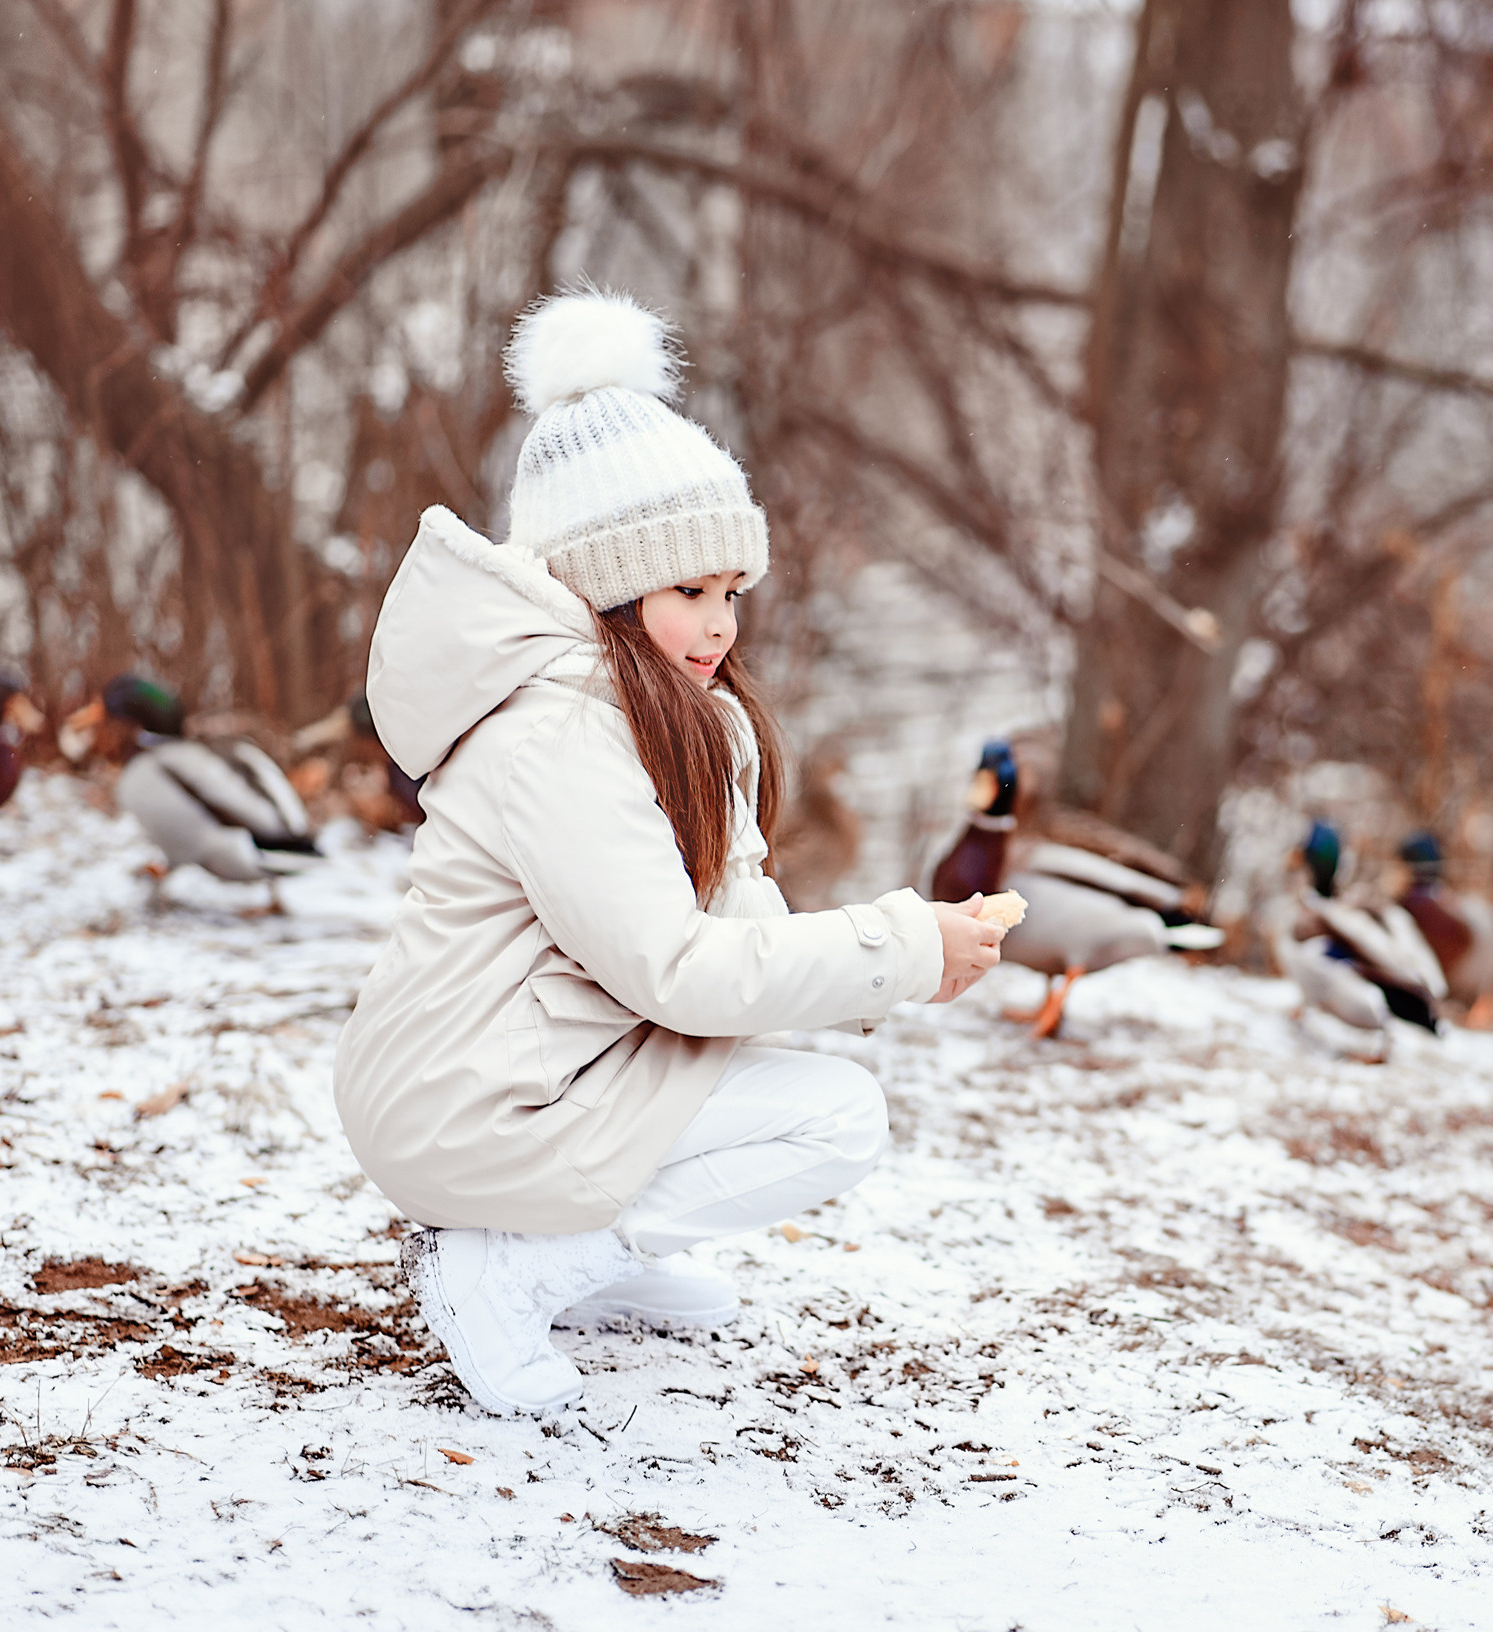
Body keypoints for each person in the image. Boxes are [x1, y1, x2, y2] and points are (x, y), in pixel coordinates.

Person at [333, 289, 1003, 1418]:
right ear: (606, 585)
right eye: (687, 592)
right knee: (838, 1118)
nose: (719, 625)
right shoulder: (558, 729)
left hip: (547, 1075)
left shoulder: (681, 721)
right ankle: (506, 1267)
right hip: (466, 1104)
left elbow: (730, 955)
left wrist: (900, 960)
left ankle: (572, 1248)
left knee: (821, 1096)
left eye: (730, 592)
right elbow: (677, 976)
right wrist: (893, 946)